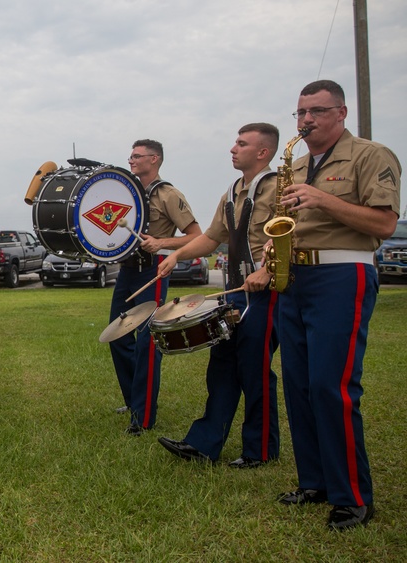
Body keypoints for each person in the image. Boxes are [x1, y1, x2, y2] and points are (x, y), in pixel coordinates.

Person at [273, 80, 400, 531]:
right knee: (300, 386)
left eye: (317, 112)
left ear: (341, 112)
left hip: (343, 275)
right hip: (297, 277)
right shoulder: (301, 163)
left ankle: (353, 498)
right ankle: (315, 482)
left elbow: (385, 223)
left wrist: (322, 198)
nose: (306, 121)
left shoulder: (371, 154)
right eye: (301, 113)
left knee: (332, 386)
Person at [154, 123, 282, 468]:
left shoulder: (278, 187)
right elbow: (211, 238)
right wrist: (177, 255)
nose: (232, 149)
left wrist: (267, 271)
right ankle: (204, 444)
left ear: (262, 152)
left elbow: (289, 235)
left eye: (241, 144)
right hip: (237, 294)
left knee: (254, 370)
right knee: (222, 367)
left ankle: (260, 450)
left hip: (266, 294)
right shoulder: (232, 192)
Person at [110, 139, 201, 436]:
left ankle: (143, 416)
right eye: (131, 155)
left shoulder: (169, 194)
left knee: (149, 344)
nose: (131, 160)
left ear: (155, 159)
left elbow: (195, 236)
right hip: (127, 271)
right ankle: (132, 399)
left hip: (153, 271)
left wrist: (162, 243)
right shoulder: (128, 194)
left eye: (137, 156)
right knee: (117, 337)